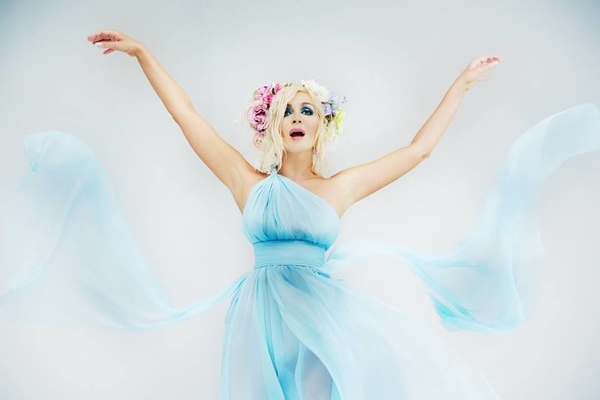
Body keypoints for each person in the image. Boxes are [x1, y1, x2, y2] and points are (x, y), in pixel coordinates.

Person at [1, 29, 598, 399]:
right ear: (273, 124)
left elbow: (418, 150)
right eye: (288, 109)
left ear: (320, 126)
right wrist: (143, 55)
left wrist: (462, 84)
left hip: (320, 315)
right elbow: (187, 118)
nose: (297, 117)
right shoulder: (246, 181)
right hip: (258, 318)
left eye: (308, 110)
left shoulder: (340, 187)